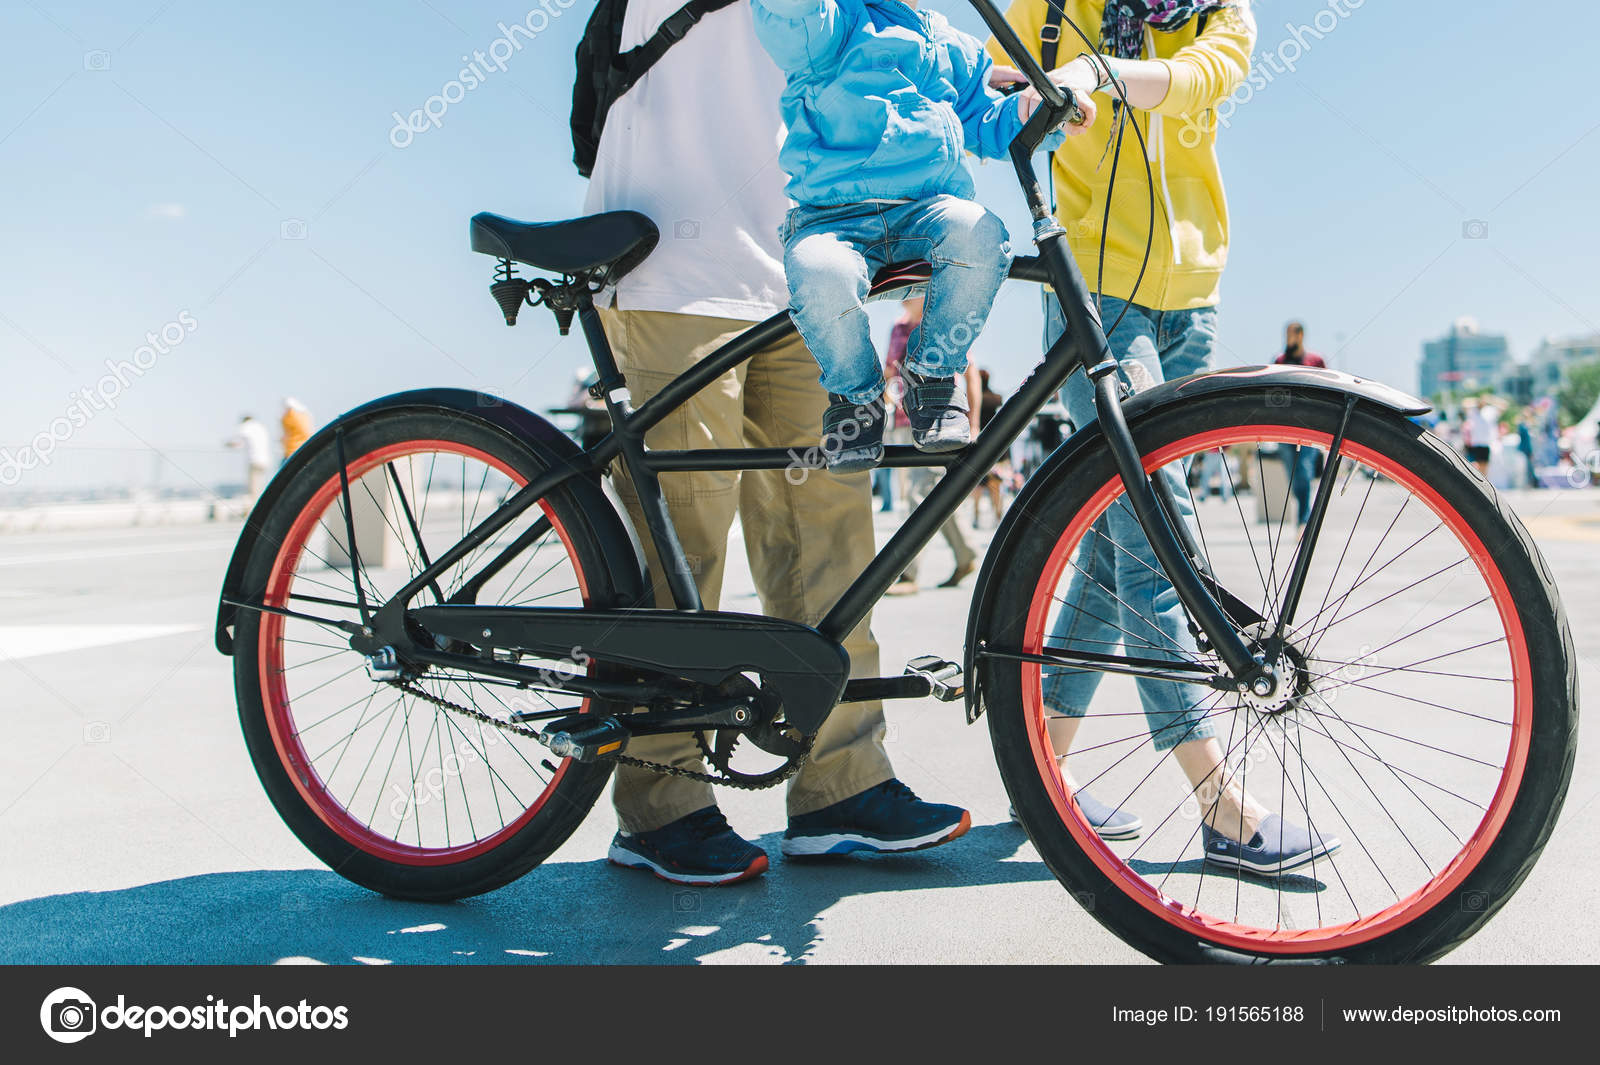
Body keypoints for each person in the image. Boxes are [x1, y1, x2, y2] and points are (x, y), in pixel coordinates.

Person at [584, 0, 970, 886]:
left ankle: (841, 782)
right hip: (670, 249)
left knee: (830, 525)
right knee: (684, 535)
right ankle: (660, 799)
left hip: (796, 254)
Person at [998, 0, 1338, 873]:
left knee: (1118, 546)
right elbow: (989, 73)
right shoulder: (1054, 6)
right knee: (1154, 523)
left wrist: (1103, 75)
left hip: (1191, 295)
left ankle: (1045, 762)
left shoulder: (1222, 11)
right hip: (1095, 287)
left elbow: (1197, 81)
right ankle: (1218, 799)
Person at [751, 0, 1088, 473]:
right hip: (833, 216)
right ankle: (856, 398)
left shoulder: (955, 47)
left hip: (927, 212)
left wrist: (1038, 109)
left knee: (981, 233)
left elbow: (990, 124)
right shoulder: (834, 21)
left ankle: (932, 373)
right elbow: (793, 21)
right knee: (818, 271)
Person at [883, 297, 980, 595]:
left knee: (919, 492)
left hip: (935, 418)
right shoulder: (898, 328)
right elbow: (890, 373)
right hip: (903, 421)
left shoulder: (939, 322)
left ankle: (909, 575)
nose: (903, 295)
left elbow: (970, 374)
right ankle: (966, 555)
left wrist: (973, 422)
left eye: (910, 290)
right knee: (935, 492)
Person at [1274, 321, 1327, 525]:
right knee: (1293, 475)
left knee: (1303, 471)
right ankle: (1304, 513)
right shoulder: (1279, 360)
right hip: (1284, 428)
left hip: (1308, 428)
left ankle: (1304, 521)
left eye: (1292, 334)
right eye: (1286, 333)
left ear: (1301, 335)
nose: (1289, 338)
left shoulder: (1315, 360)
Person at [969, 369, 1010, 528]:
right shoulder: (997, 399)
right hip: (997, 450)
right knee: (995, 486)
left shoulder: (973, 400)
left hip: (980, 448)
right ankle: (997, 516)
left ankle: (976, 516)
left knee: (978, 486)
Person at [226, 414, 270, 504]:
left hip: (254, 460)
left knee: (253, 488)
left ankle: (253, 509)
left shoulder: (246, 427)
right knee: (261, 486)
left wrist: (228, 444)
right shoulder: (261, 427)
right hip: (265, 461)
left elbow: (238, 442)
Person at [1461, 396, 1494, 477]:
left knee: (1484, 466)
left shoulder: (1489, 411)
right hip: (1475, 443)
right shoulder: (1473, 411)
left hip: (1485, 443)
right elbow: (1464, 404)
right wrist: (1477, 401)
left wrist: (1491, 400)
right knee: (1474, 465)